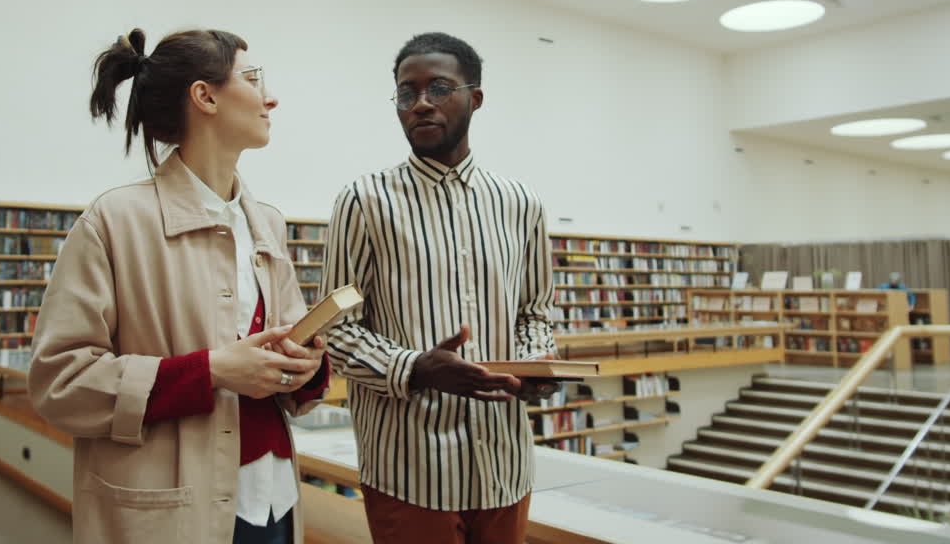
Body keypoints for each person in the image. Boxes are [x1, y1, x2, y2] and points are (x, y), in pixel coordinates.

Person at [28, 28, 330, 544]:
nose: (270, 96)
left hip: (274, 499)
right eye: (253, 78)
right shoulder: (114, 221)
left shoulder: (268, 224)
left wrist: (305, 367)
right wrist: (211, 370)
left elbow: (284, 349)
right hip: (169, 513)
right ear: (205, 96)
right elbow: (61, 384)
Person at [320, 32, 558, 544]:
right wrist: (415, 368)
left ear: (475, 97)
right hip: (410, 468)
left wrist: (536, 365)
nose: (421, 103)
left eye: (439, 88)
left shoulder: (521, 203)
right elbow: (335, 330)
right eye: (407, 93)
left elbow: (535, 313)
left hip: (504, 463)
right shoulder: (364, 200)